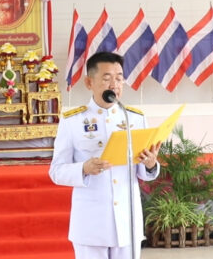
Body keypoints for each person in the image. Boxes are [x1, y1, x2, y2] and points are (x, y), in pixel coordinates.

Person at [49, 51, 161, 259]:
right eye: (107, 78)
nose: (114, 85)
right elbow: (56, 171)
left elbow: (144, 172)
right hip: (91, 223)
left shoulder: (135, 118)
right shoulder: (72, 121)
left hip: (127, 222)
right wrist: (83, 168)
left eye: (119, 78)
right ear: (89, 83)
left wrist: (150, 164)